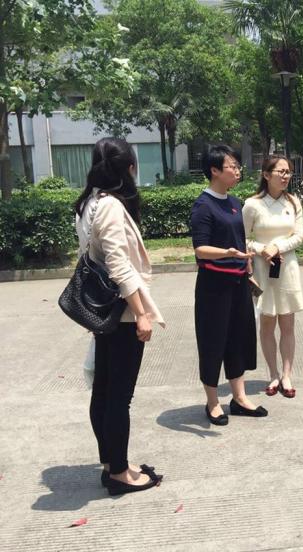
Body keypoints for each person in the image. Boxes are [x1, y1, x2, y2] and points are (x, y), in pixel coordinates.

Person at [74, 137, 165, 495]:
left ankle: (112, 463)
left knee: (104, 390)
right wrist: (141, 313)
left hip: (103, 310)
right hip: (122, 310)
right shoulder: (111, 205)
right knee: (118, 396)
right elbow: (118, 264)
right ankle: (120, 473)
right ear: (128, 168)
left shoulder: (88, 203)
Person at [191, 145, 265, 425]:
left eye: (236, 166)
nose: (237, 170)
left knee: (239, 338)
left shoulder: (234, 202)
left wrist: (246, 264)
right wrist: (227, 253)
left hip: (238, 281)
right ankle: (212, 402)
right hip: (214, 286)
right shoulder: (203, 206)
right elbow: (200, 249)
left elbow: (239, 238)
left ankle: (240, 398)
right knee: (213, 341)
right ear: (214, 171)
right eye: (232, 166)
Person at [243, 155, 303, 399]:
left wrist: (277, 246)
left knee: (287, 324)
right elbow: (242, 238)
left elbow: (299, 236)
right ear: (266, 175)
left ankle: (287, 375)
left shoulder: (293, 202)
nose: (285, 176)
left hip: (287, 269)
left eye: (288, 172)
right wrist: (261, 249)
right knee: (267, 323)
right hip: (262, 270)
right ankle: (273, 374)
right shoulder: (252, 205)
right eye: (280, 171)